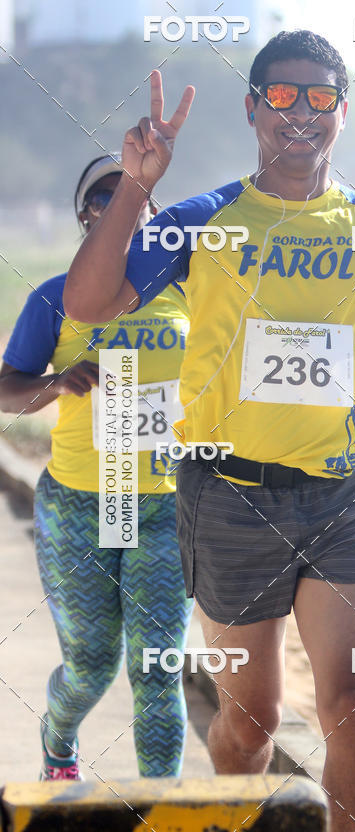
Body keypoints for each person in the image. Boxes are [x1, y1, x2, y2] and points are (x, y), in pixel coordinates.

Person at [62, 31, 355, 829]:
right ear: (252, 109)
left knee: (352, 700)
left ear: (341, 112)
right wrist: (136, 187)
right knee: (250, 725)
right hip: (230, 497)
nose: (300, 113)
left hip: (344, 498)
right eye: (281, 96)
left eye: (318, 98)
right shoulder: (208, 221)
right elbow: (88, 304)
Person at [0, 155, 194, 780]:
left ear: (157, 215)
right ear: (85, 218)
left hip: (165, 507)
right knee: (91, 666)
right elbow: (6, 390)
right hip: (80, 504)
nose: (124, 208)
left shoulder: (191, 295)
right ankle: (60, 741)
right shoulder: (56, 298)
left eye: (137, 198)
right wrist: (56, 384)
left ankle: (168, 829)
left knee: (158, 669)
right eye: (105, 200)